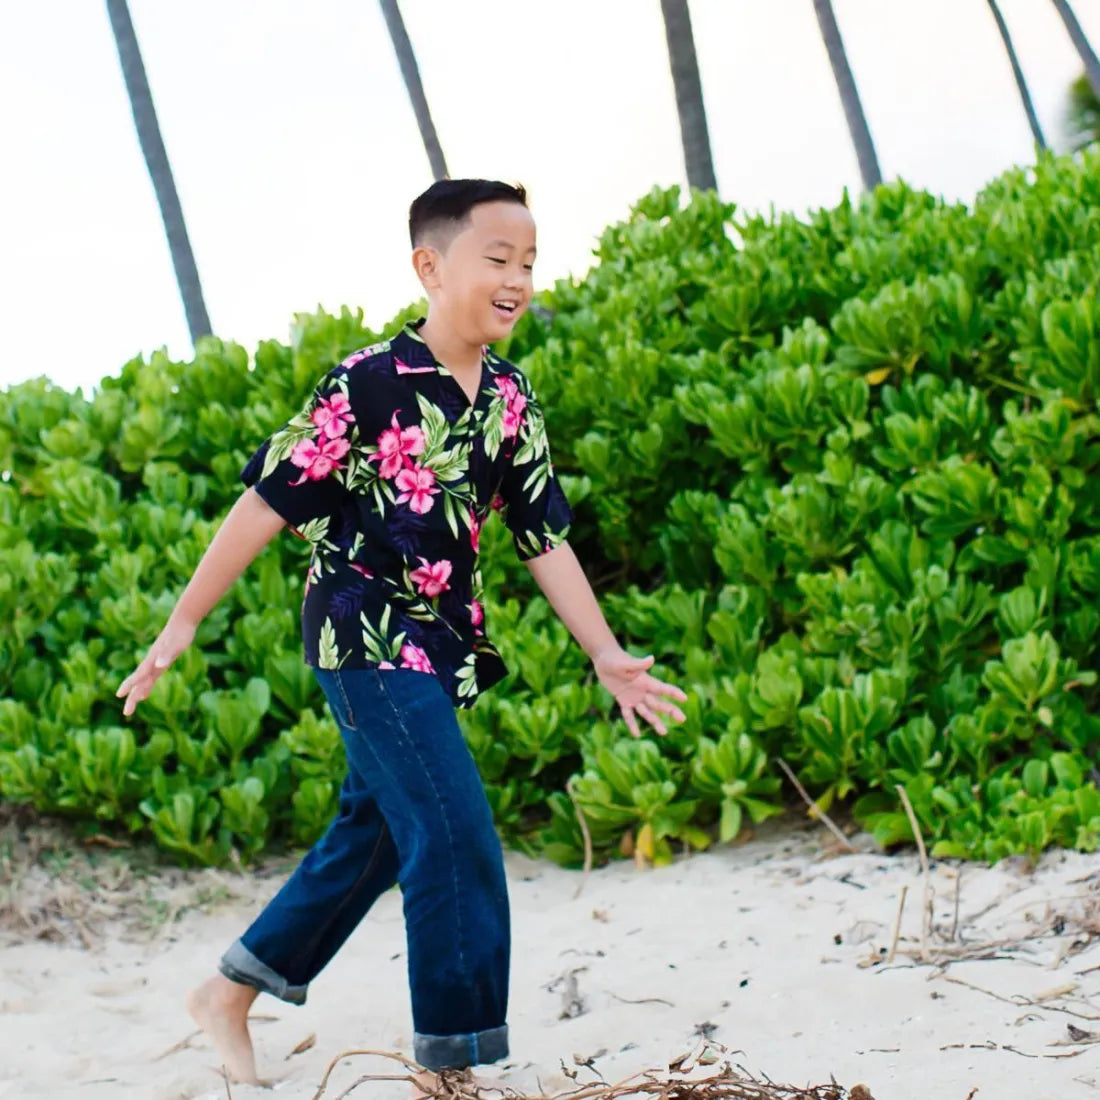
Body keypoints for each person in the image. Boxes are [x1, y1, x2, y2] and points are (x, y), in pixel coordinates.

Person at [115, 178, 688, 1093]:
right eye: (497, 258)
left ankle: (229, 991)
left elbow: (544, 536)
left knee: (378, 834)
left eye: (530, 261)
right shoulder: (369, 381)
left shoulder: (509, 397)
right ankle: (450, 1068)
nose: (519, 278)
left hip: (439, 641)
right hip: (360, 632)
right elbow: (265, 504)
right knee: (454, 833)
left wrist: (605, 652)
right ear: (431, 265)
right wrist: (182, 622)